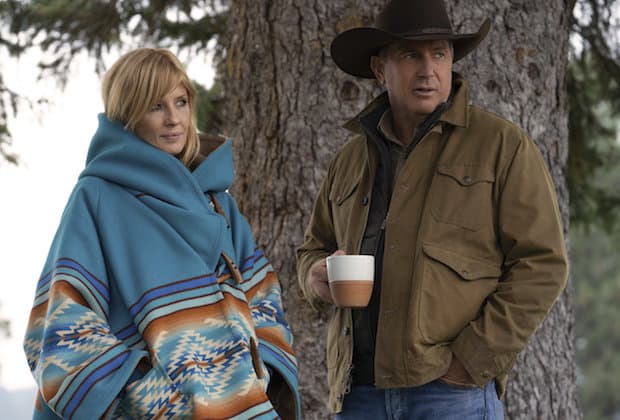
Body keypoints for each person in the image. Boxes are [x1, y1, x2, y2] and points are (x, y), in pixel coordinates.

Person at [296, 0, 568, 418]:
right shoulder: (350, 159)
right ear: (379, 69)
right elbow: (315, 247)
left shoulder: (501, 146)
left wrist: (472, 361)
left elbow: (543, 263)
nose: (428, 69)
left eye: (439, 54)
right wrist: (313, 277)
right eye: (410, 55)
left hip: (451, 396)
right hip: (358, 395)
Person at [24, 48, 300, 419]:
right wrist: (157, 402)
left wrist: (259, 370)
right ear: (128, 115)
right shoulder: (98, 198)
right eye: (156, 106)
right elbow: (60, 332)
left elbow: (263, 294)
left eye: (181, 102)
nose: (174, 119)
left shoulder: (217, 202)